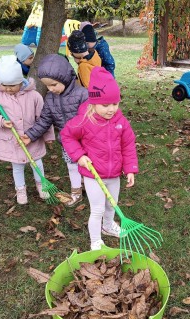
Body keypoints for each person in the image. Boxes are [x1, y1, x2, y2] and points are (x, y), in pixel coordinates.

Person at [61, 67, 138, 250]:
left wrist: (130, 169)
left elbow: (128, 145)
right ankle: (95, 240)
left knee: (112, 203)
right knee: (97, 209)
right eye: (105, 105)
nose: (111, 109)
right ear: (94, 102)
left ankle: (108, 226)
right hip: (93, 174)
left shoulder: (121, 121)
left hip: (113, 174)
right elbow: (67, 136)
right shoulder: (84, 120)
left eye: (115, 103)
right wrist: (79, 156)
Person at [0, 55, 54, 205]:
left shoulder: (34, 96)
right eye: (4, 85)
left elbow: (44, 118)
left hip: (32, 138)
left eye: (12, 85)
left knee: (37, 163)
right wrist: (0, 121)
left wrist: (48, 137)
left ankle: (41, 185)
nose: (8, 89)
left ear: (21, 81)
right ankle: (20, 189)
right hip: (12, 140)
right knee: (17, 166)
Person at [21, 54, 89, 207]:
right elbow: (45, 120)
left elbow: (91, 120)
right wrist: (30, 135)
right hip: (68, 143)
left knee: (88, 165)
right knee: (72, 167)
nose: (50, 89)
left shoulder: (83, 94)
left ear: (65, 77)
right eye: (47, 86)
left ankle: (91, 185)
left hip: (87, 141)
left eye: (54, 84)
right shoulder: (50, 99)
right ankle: (76, 192)